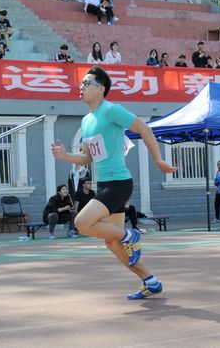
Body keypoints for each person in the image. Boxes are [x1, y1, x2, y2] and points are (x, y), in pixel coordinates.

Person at [51, 66, 177, 300]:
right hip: (104, 185)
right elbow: (87, 157)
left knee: (81, 223)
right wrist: (65, 156)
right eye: (81, 83)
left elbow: (144, 129)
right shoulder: (86, 121)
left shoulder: (112, 110)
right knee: (111, 241)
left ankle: (130, 235)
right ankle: (150, 281)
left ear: (101, 89)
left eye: (86, 83)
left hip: (119, 183)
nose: (81, 87)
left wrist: (158, 159)